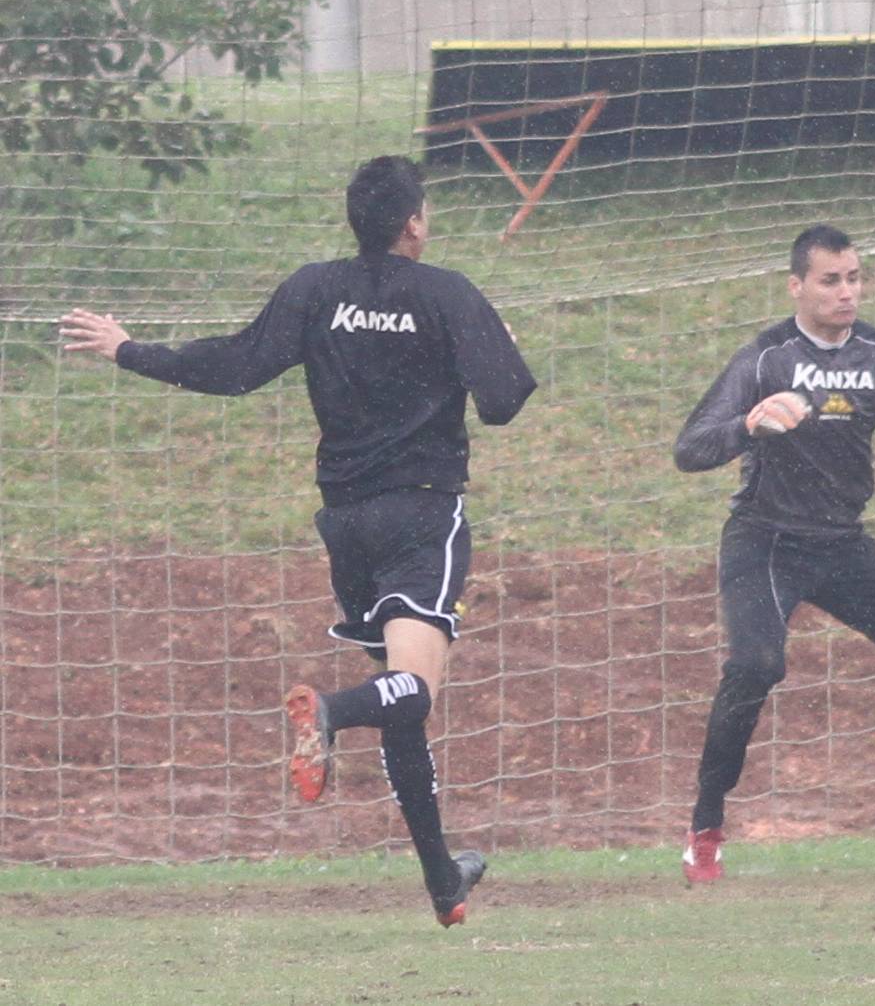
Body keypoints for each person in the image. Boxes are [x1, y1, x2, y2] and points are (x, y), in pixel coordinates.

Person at [59, 155, 536, 925]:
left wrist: (129, 349)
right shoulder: (448, 292)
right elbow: (505, 401)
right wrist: (496, 344)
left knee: (400, 703)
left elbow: (238, 366)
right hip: (419, 515)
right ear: (413, 222)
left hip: (345, 523)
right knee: (412, 691)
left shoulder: (316, 288)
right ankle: (330, 712)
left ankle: (443, 879)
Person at [673, 223, 875, 884]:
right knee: (756, 664)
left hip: (841, 545)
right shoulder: (767, 357)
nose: (846, 292)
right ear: (797, 285)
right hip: (765, 540)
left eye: (853, 278)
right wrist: (748, 423)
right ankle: (705, 827)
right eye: (830, 280)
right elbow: (689, 448)